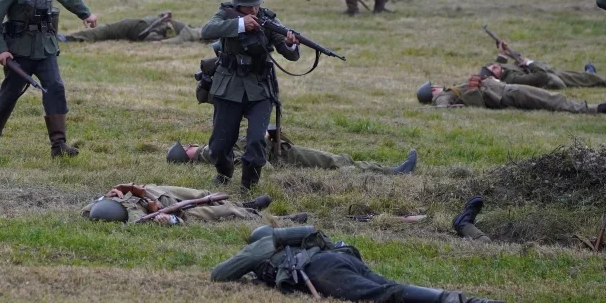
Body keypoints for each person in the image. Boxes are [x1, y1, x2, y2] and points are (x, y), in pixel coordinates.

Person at [212, 225, 511, 303]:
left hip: (320, 270)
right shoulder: (300, 239)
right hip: (340, 258)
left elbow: (219, 274)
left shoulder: (264, 246)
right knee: (388, 285)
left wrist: (251, 255)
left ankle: (455, 300)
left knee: (383, 294)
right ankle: (473, 302)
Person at [0, 0, 97, 157]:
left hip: (46, 51)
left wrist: (86, 14)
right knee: (8, 96)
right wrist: (0, 50)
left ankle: (59, 145)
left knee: (55, 88)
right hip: (20, 53)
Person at [201, 0, 300, 189]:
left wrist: (291, 45)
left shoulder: (268, 20)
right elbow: (207, 30)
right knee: (219, 145)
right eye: (249, 7)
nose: (254, 10)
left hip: (260, 89)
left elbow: (288, 52)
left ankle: (249, 185)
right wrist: (240, 25)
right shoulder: (226, 14)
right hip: (229, 87)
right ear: (237, 5)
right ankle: (224, 172)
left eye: (256, 5)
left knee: (256, 141)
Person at [167, 130, 418, 175]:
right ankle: (392, 173)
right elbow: (249, 160)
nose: (189, 145)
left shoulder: (212, 150)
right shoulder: (211, 151)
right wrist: (264, 139)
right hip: (285, 158)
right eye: (185, 146)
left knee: (338, 161)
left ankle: (386, 171)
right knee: (337, 164)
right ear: (186, 153)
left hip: (283, 151)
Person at [83, 183, 272, 225]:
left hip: (154, 192)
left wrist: (107, 195)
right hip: (172, 211)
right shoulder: (134, 219)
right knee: (223, 211)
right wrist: (156, 212)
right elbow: (145, 221)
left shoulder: (98, 209)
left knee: (204, 194)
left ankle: (245, 204)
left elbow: (86, 210)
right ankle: (273, 219)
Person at [416, 75, 606, 114]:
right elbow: (443, 111)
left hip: (506, 91)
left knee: (550, 99)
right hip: (508, 94)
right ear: (432, 92)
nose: (437, 85)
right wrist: (475, 90)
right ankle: (596, 109)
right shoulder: (441, 97)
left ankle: (595, 107)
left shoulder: (450, 93)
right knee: (552, 100)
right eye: (433, 86)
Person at [482, 41, 606, 89]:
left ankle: (589, 75)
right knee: (578, 79)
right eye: (492, 70)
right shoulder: (513, 80)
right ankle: (599, 79)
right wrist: (529, 63)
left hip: (549, 71)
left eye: (491, 66)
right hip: (550, 78)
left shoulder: (501, 71)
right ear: (496, 78)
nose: (493, 66)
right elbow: (541, 76)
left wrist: (503, 53)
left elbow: (499, 65)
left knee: (575, 75)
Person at [59, 13, 203, 44]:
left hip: (147, 29)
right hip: (149, 26)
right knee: (109, 31)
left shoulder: (202, 33)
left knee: (109, 30)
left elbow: (183, 37)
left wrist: (161, 44)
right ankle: (70, 38)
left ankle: (70, 39)